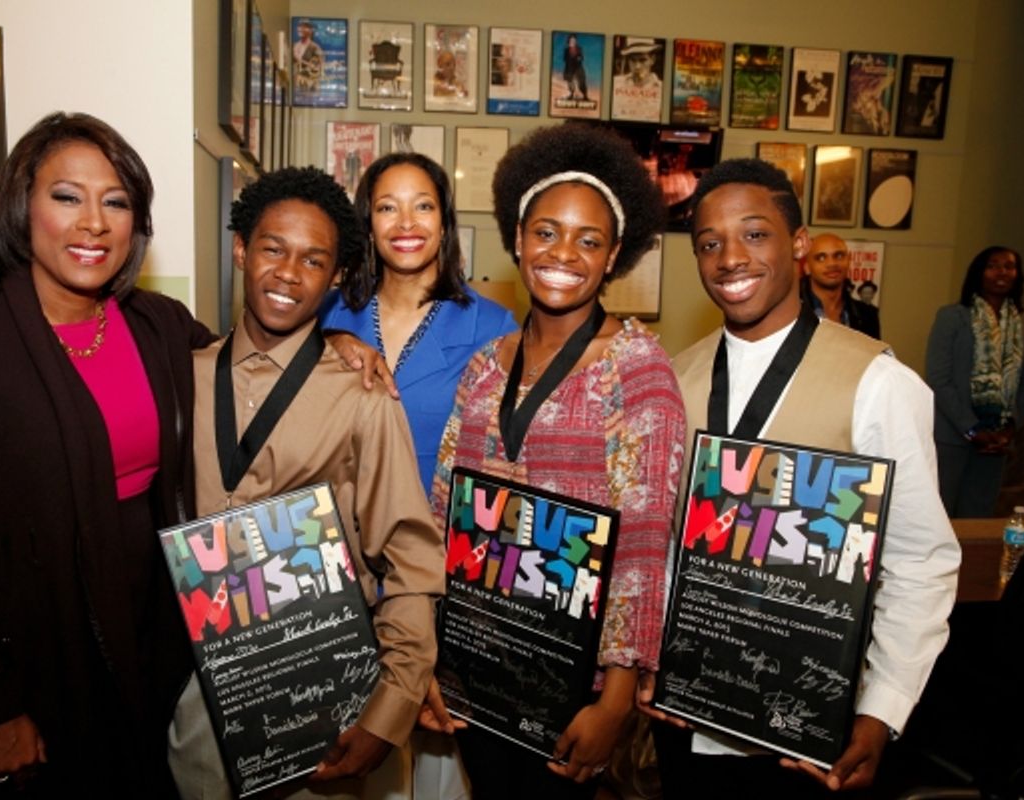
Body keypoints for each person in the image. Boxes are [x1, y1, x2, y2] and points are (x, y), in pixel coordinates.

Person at [0, 111, 216, 797]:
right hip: (28, 651)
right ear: (19, 208)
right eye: (67, 196)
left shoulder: (159, 324)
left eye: (116, 201)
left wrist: (339, 346)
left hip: (146, 639)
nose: (94, 221)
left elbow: (255, 369)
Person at [643, 158, 960, 797]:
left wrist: (881, 714)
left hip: (807, 733)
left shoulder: (877, 383)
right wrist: (651, 660)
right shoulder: (673, 379)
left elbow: (919, 563)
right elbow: (665, 548)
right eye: (709, 243)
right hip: (687, 714)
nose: (730, 258)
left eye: (754, 234)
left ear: (800, 244)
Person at [424, 123, 686, 798]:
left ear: (613, 256)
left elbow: (646, 540)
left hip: (575, 682)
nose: (562, 251)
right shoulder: (485, 366)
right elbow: (442, 508)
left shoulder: (638, 367)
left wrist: (618, 698)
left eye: (588, 240)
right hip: (479, 664)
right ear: (516, 236)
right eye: (546, 231)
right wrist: (427, 651)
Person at [167, 166, 445, 800]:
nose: (289, 273)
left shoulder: (363, 397)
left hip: (324, 690)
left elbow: (411, 563)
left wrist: (390, 709)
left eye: (314, 260)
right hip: (201, 687)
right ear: (241, 249)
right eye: (273, 249)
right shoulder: (180, 376)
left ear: (336, 276)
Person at [321, 152, 516, 493]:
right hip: (336, 533)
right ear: (368, 225)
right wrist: (325, 339)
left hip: (437, 536)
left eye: (423, 206)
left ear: (444, 224)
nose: (406, 222)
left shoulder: (494, 328)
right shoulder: (326, 314)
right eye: (387, 208)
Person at [926, 246, 1024, 518]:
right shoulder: (952, 316)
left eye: (1009, 266)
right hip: (954, 437)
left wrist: (1009, 429)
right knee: (941, 516)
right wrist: (973, 430)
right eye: (993, 265)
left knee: (978, 517)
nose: (1002, 272)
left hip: (997, 442)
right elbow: (939, 379)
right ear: (979, 273)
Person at [800, 232, 881, 339]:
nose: (832, 264)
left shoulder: (867, 315)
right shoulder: (788, 311)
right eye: (821, 258)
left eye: (838, 256)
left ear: (848, 261)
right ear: (807, 268)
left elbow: (874, 355)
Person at [293, 19, 324, 93]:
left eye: (304, 27)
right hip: (296, 84)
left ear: (310, 30)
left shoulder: (315, 47)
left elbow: (320, 67)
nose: (301, 29)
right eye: (300, 26)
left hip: (310, 85)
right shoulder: (295, 45)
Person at [562, 34, 589, 101]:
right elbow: (565, 59)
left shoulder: (579, 48)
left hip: (578, 68)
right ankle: (571, 94)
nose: (573, 42)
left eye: (574, 40)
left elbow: (582, 57)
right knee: (570, 82)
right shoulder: (566, 50)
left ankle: (585, 96)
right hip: (569, 68)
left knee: (582, 82)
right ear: (569, 41)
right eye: (571, 40)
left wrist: (578, 58)